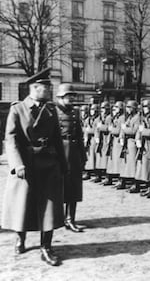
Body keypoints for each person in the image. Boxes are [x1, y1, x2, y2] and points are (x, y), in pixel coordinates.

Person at [1, 68, 67, 266]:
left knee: (50, 207)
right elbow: (10, 140)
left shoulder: (50, 109)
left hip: (48, 163)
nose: (49, 90)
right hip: (26, 165)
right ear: (35, 88)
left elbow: (56, 138)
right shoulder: (18, 109)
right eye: (46, 87)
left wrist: (63, 164)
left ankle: (46, 247)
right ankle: (20, 238)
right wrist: (17, 164)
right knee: (23, 204)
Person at [55, 83, 86, 233]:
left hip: (73, 152)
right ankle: (58, 218)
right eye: (69, 96)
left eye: (73, 96)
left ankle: (70, 219)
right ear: (60, 97)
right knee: (58, 187)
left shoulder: (75, 112)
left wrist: (83, 155)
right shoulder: (53, 112)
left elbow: (79, 135)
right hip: (59, 151)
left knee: (73, 187)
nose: (72, 98)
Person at [133, 99, 150, 194]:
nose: (144, 109)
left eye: (146, 107)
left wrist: (143, 131)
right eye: (143, 107)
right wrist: (138, 139)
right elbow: (139, 131)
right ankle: (149, 187)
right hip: (144, 145)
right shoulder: (143, 118)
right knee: (144, 167)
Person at [117, 100, 139, 189]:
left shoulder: (137, 118)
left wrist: (125, 129)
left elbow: (134, 130)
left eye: (129, 107)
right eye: (127, 107)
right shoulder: (130, 117)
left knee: (133, 165)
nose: (127, 109)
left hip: (132, 142)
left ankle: (135, 184)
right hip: (127, 143)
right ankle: (125, 182)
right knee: (126, 164)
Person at [104, 101, 125, 186]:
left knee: (119, 163)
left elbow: (118, 130)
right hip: (113, 141)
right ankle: (110, 178)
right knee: (112, 162)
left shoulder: (122, 118)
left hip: (118, 142)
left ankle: (121, 180)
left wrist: (111, 129)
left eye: (116, 108)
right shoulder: (116, 117)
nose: (114, 110)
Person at [95, 102, 112, 184]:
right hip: (101, 140)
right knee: (100, 159)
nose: (102, 110)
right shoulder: (100, 118)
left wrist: (101, 127)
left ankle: (107, 177)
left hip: (106, 139)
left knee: (106, 160)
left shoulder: (109, 117)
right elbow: (96, 128)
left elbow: (109, 128)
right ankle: (99, 176)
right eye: (101, 109)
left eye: (104, 108)